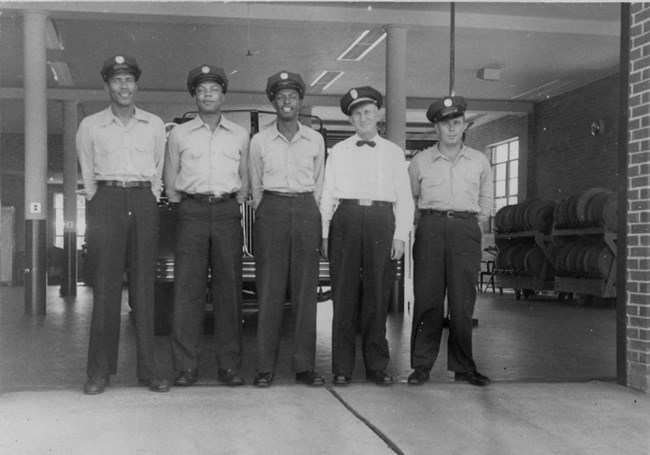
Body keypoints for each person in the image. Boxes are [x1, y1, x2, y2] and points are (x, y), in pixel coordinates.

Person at [76, 54, 169, 394]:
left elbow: (159, 171)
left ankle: (150, 371)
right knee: (105, 287)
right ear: (107, 86)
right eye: (117, 80)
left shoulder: (155, 124)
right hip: (107, 200)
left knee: (145, 289)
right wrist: (99, 201)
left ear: (136, 85)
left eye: (129, 80)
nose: (124, 86)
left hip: (143, 200)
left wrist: (149, 196)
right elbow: (87, 173)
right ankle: (99, 372)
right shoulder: (90, 125)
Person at [320, 86, 414, 386]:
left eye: (368, 112)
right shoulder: (338, 152)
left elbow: (405, 199)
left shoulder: (394, 152)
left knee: (377, 294)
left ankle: (376, 366)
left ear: (378, 115)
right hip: (345, 219)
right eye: (357, 113)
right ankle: (342, 367)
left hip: (380, 220)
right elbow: (327, 195)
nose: (363, 117)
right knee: (343, 296)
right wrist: (324, 233)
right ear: (351, 120)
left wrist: (400, 236)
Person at [164, 64, 249, 387]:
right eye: (201, 90)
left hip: (227, 211)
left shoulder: (240, 134)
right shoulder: (180, 134)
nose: (208, 94)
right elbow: (171, 181)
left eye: (214, 89)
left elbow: (244, 180)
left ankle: (229, 366)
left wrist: (231, 201)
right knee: (187, 291)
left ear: (223, 95)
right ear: (194, 96)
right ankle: (186, 366)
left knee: (230, 291)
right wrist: (187, 204)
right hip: (191, 212)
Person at [407, 96, 493, 386]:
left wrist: (468, 226)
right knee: (428, 299)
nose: (452, 129)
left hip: (465, 230)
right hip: (430, 228)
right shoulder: (420, 161)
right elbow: (412, 200)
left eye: (457, 123)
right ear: (436, 129)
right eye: (446, 124)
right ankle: (421, 366)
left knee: (462, 302)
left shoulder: (479, 161)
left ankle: (463, 367)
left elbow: (485, 201)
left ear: (465, 125)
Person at [248, 71, 326, 387]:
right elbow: (254, 185)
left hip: (307, 207)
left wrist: (309, 209)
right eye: (280, 97)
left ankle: (304, 366)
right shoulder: (259, 140)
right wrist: (268, 209)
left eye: (292, 96)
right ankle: (265, 367)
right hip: (272, 207)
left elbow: (319, 182)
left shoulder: (316, 140)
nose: (286, 102)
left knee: (306, 292)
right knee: (269, 290)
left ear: (300, 101)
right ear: (273, 101)